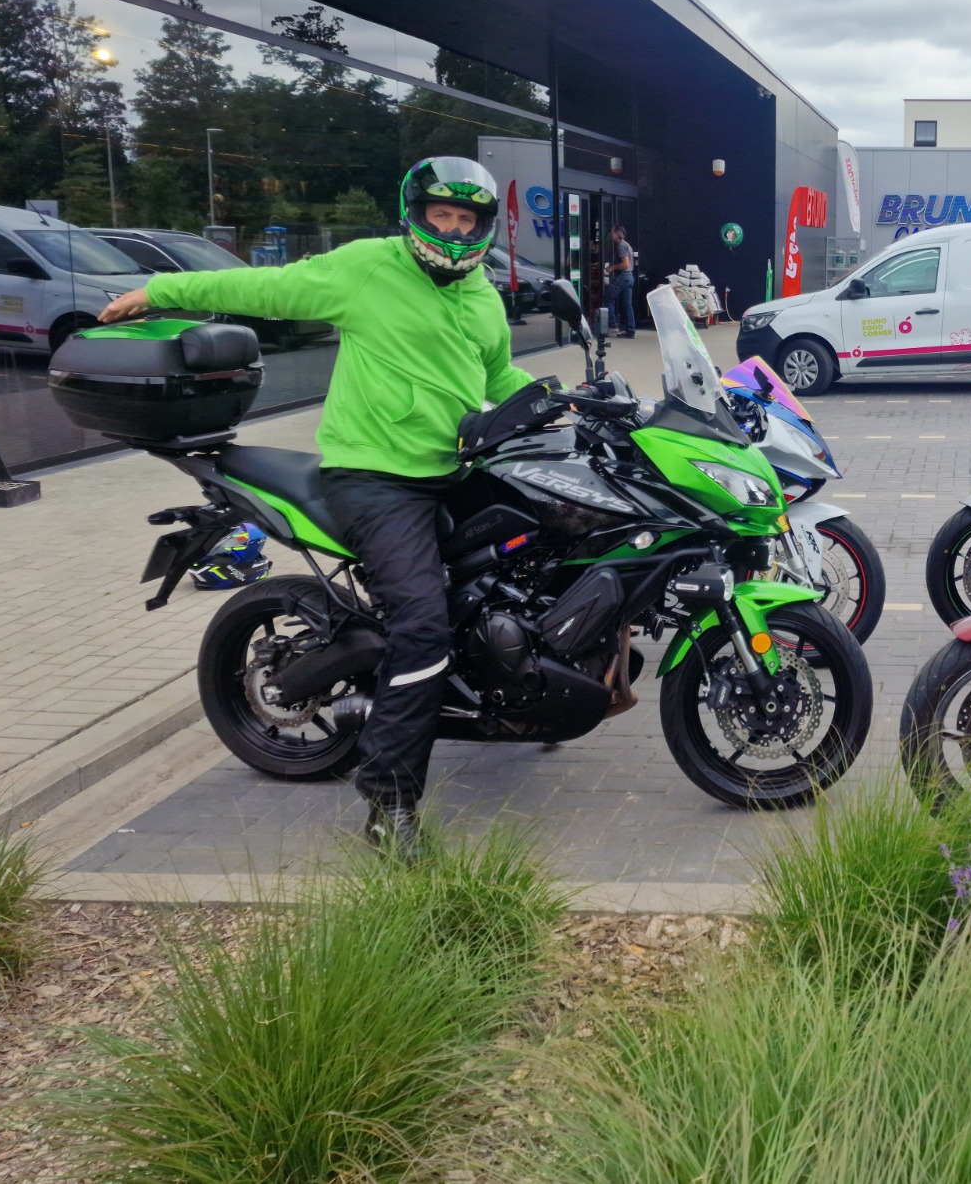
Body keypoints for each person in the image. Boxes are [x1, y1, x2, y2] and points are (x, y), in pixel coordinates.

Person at [99, 157, 531, 858]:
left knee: (536, 549)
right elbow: (263, 288)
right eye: (441, 216)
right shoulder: (368, 268)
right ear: (417, 216)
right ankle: (390, 805)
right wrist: (161, 290)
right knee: (423, 626)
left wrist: (563, 399)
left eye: (466, 220)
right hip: (375, 477)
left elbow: (496, 374)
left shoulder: (481, 292)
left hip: (452, 466)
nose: (454, 231)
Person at [605, 224, 636, 337]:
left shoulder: (621, 246)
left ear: (618, 233)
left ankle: (612, 325)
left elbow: (625, 264)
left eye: (613, 232)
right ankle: (630, 330)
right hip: (629, 277)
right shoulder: (626, 245)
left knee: (607, 298)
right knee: (628, 304)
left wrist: (612, 267)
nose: (611, 235)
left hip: (623, 276)